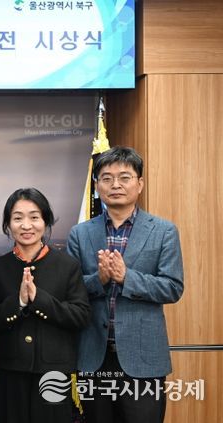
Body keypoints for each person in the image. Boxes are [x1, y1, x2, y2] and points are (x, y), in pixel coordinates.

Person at [67, 146, 184, 423]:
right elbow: (69, 290)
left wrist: (126, 277)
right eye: (106, 178)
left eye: (124, 177)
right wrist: (100, 280)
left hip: (143, 360)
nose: (115, 185)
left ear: (139, 184)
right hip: (94, 358)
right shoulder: (80, 233)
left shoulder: (164, 231)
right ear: (97, 186)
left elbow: (172, 287)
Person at [0, 188, 90, 423]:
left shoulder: (67, 266)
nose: (26, 225)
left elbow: (81, 316)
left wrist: (39, 299)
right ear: (8, 224)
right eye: (17, 218)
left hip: (54, 373)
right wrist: (19, 302)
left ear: (46, 221)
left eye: (34, 217)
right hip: (9, 371)